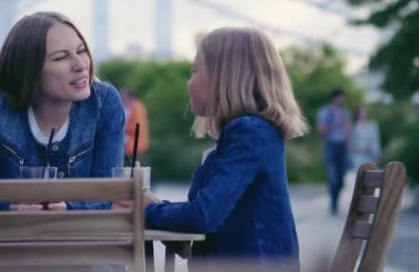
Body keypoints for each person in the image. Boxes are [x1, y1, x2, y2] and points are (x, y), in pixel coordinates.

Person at [142, 27, 308, 270]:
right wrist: (155, 207)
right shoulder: (247, 133)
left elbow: (203, 215)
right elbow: (206, 211)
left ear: (224, 77)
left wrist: (145, 211)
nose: (189, 82)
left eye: (195, 71)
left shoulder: (250, 133)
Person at [0, 11, 125, 211]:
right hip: (13, 238)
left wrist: (68, 208)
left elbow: (111, 195)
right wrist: (11, 209)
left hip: (84, 239)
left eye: (81, 50)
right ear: (28, 70)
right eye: (61, 58)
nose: (81, 64)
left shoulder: (104, 102)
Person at [317, 88, 351, 215]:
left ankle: (336, 200)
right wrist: (334, 124)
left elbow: (348, 129)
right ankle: (333, 204)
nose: (343, 100)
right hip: (330, 146)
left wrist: (348, 142)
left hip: (343, 147)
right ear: (335, 98)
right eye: (341, 97)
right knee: (333, 177)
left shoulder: (345, 112)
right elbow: (321, 132)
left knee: (341, 178)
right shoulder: (325, 112)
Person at [120, 88, 150, 157]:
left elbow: (137, 126)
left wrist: (119, 126)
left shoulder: (136, 107)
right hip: (133, 147)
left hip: (134, 147)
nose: (122, 100)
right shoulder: (136, 106)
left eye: (123, 98)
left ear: (129, 97)